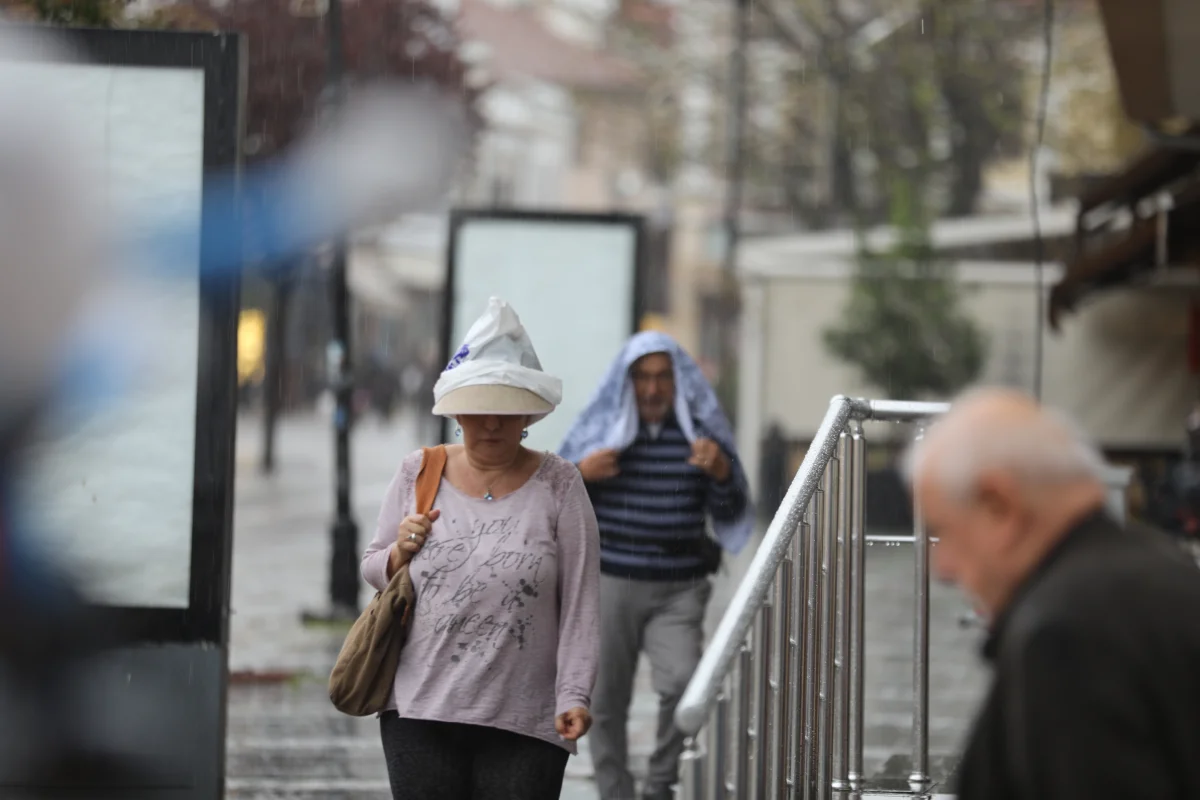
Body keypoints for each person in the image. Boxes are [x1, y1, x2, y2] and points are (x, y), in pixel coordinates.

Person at [902, 386, 1200, 800]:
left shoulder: (1068, 635)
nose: (943, 567)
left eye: (942, 530)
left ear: (999, 506)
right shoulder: (1165, 570)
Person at [361, 297, 601, 800]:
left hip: (526, 720)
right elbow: (374, 566)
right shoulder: (417, 472)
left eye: (507, 409)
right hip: (420, 712)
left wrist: (574, 693)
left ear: (528, 415)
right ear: (457, 412)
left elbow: (581, 604)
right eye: (480, 409)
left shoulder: (560, 485)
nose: (492, 423)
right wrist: (400, 553)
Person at [558, 331, 753, 800]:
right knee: (603, 703)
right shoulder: (601, 438)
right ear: (626, 384)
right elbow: (552, 504)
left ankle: (660, 785)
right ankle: (615, 792)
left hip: (680, 588)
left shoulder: (699, 439)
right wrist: (581, 474)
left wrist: (722, 474)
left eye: (662, 377)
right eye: (642, 378)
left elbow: (730, 515)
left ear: (679, 382)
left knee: (687, 685)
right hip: (609, 584)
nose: (651, 389)